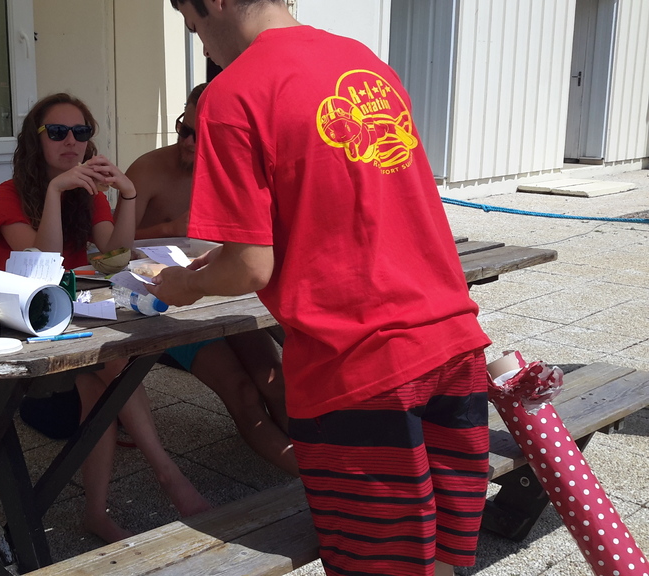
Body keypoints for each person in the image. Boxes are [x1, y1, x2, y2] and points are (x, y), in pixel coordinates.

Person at [149, 3, 492, 576]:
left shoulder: (234, 94)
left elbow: (249, 270)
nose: (202, 46)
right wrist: (227, 257)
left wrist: (187, 283)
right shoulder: (364, 63)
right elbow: (346, 208)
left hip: (360, 369)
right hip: (454, 346)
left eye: (193, 24)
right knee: (442, 561)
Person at [0, 92, 211, 543]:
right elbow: (44, 261)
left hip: (75, 324)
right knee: (111, 369)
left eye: (81, 132)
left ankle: (99, 513)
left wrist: (127, 194)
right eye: (57, 132)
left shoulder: (87, 194)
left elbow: (115, 253)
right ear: (36, 140)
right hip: (28, 333)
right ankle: (169, 477)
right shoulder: (9, 195)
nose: (71, 141)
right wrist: (55, 191)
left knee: (104, 380)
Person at [126, 84, 297, 476]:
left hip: (220, 289)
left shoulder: (233, 171)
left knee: (275, 382)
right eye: (184, 129)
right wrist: (171, 227)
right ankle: (319, 484)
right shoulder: (148, 169)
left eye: (200, 135)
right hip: (168, 299)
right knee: (242, 392)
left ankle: (316, 472)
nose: (188, 142)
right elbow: (113, 244)